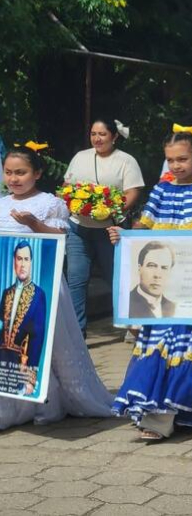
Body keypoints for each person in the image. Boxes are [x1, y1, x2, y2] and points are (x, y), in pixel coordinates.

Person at [109, 131, 192, 440]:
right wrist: (123, 238)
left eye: (182, 159)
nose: (176, 165)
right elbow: (143, 235)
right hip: (165, 290)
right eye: (170, 160)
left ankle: (172, 414)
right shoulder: (161, 192)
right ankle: (158, 413)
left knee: (191, 345)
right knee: (162, 343)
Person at [0, 145, 112, 429]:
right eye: (8, 172)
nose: (13, 178)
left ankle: (50, 400)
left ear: (37, 173)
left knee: (43, 341)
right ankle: (11, 402)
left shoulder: (49, 203)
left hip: (43, 282)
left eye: (21, 172)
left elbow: (60, 236)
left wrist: (34, 223)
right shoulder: (2, 203)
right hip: (7, 284)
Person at [63, 118, 144, 336]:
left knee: (117, 279)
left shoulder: (126, 161)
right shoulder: (80, 157)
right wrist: (72, 202)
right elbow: (67, 187)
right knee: (76, 280)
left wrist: (113, 210)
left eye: (102, 134)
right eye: (93, 134)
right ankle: (77, 335)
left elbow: (133, 191)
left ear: (114, 136)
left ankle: (133, 327)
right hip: (78, 228)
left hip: (111, 232)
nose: (97, 139)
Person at [0, 241, 46, 395]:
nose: (22, 264)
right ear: (14, 261)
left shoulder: (38, 295)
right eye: (19, 259)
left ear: (31, 262)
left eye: (26, 259)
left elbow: (37, 338)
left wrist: (30, 379)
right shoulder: (7, 292)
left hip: (19, 365)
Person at [128, 241, 176, 318]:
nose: (157, 275)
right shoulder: (125, 303)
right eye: (152, 266)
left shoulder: (174, 308)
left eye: (164, 268)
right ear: (139, 268)